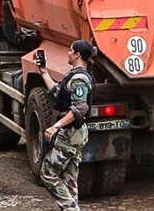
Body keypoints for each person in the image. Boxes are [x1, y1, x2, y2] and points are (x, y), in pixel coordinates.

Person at [34, 40, 95, 211]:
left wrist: (56, 126)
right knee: (69, 178)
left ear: (77, 55)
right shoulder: (74, 75)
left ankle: (71, 209)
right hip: (74, 133)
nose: (68, 53)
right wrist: (43, 71)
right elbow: (56, 91)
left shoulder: (79, 79)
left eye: (70, 50)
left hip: (70, 133)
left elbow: (81, 107)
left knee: (47, 173)